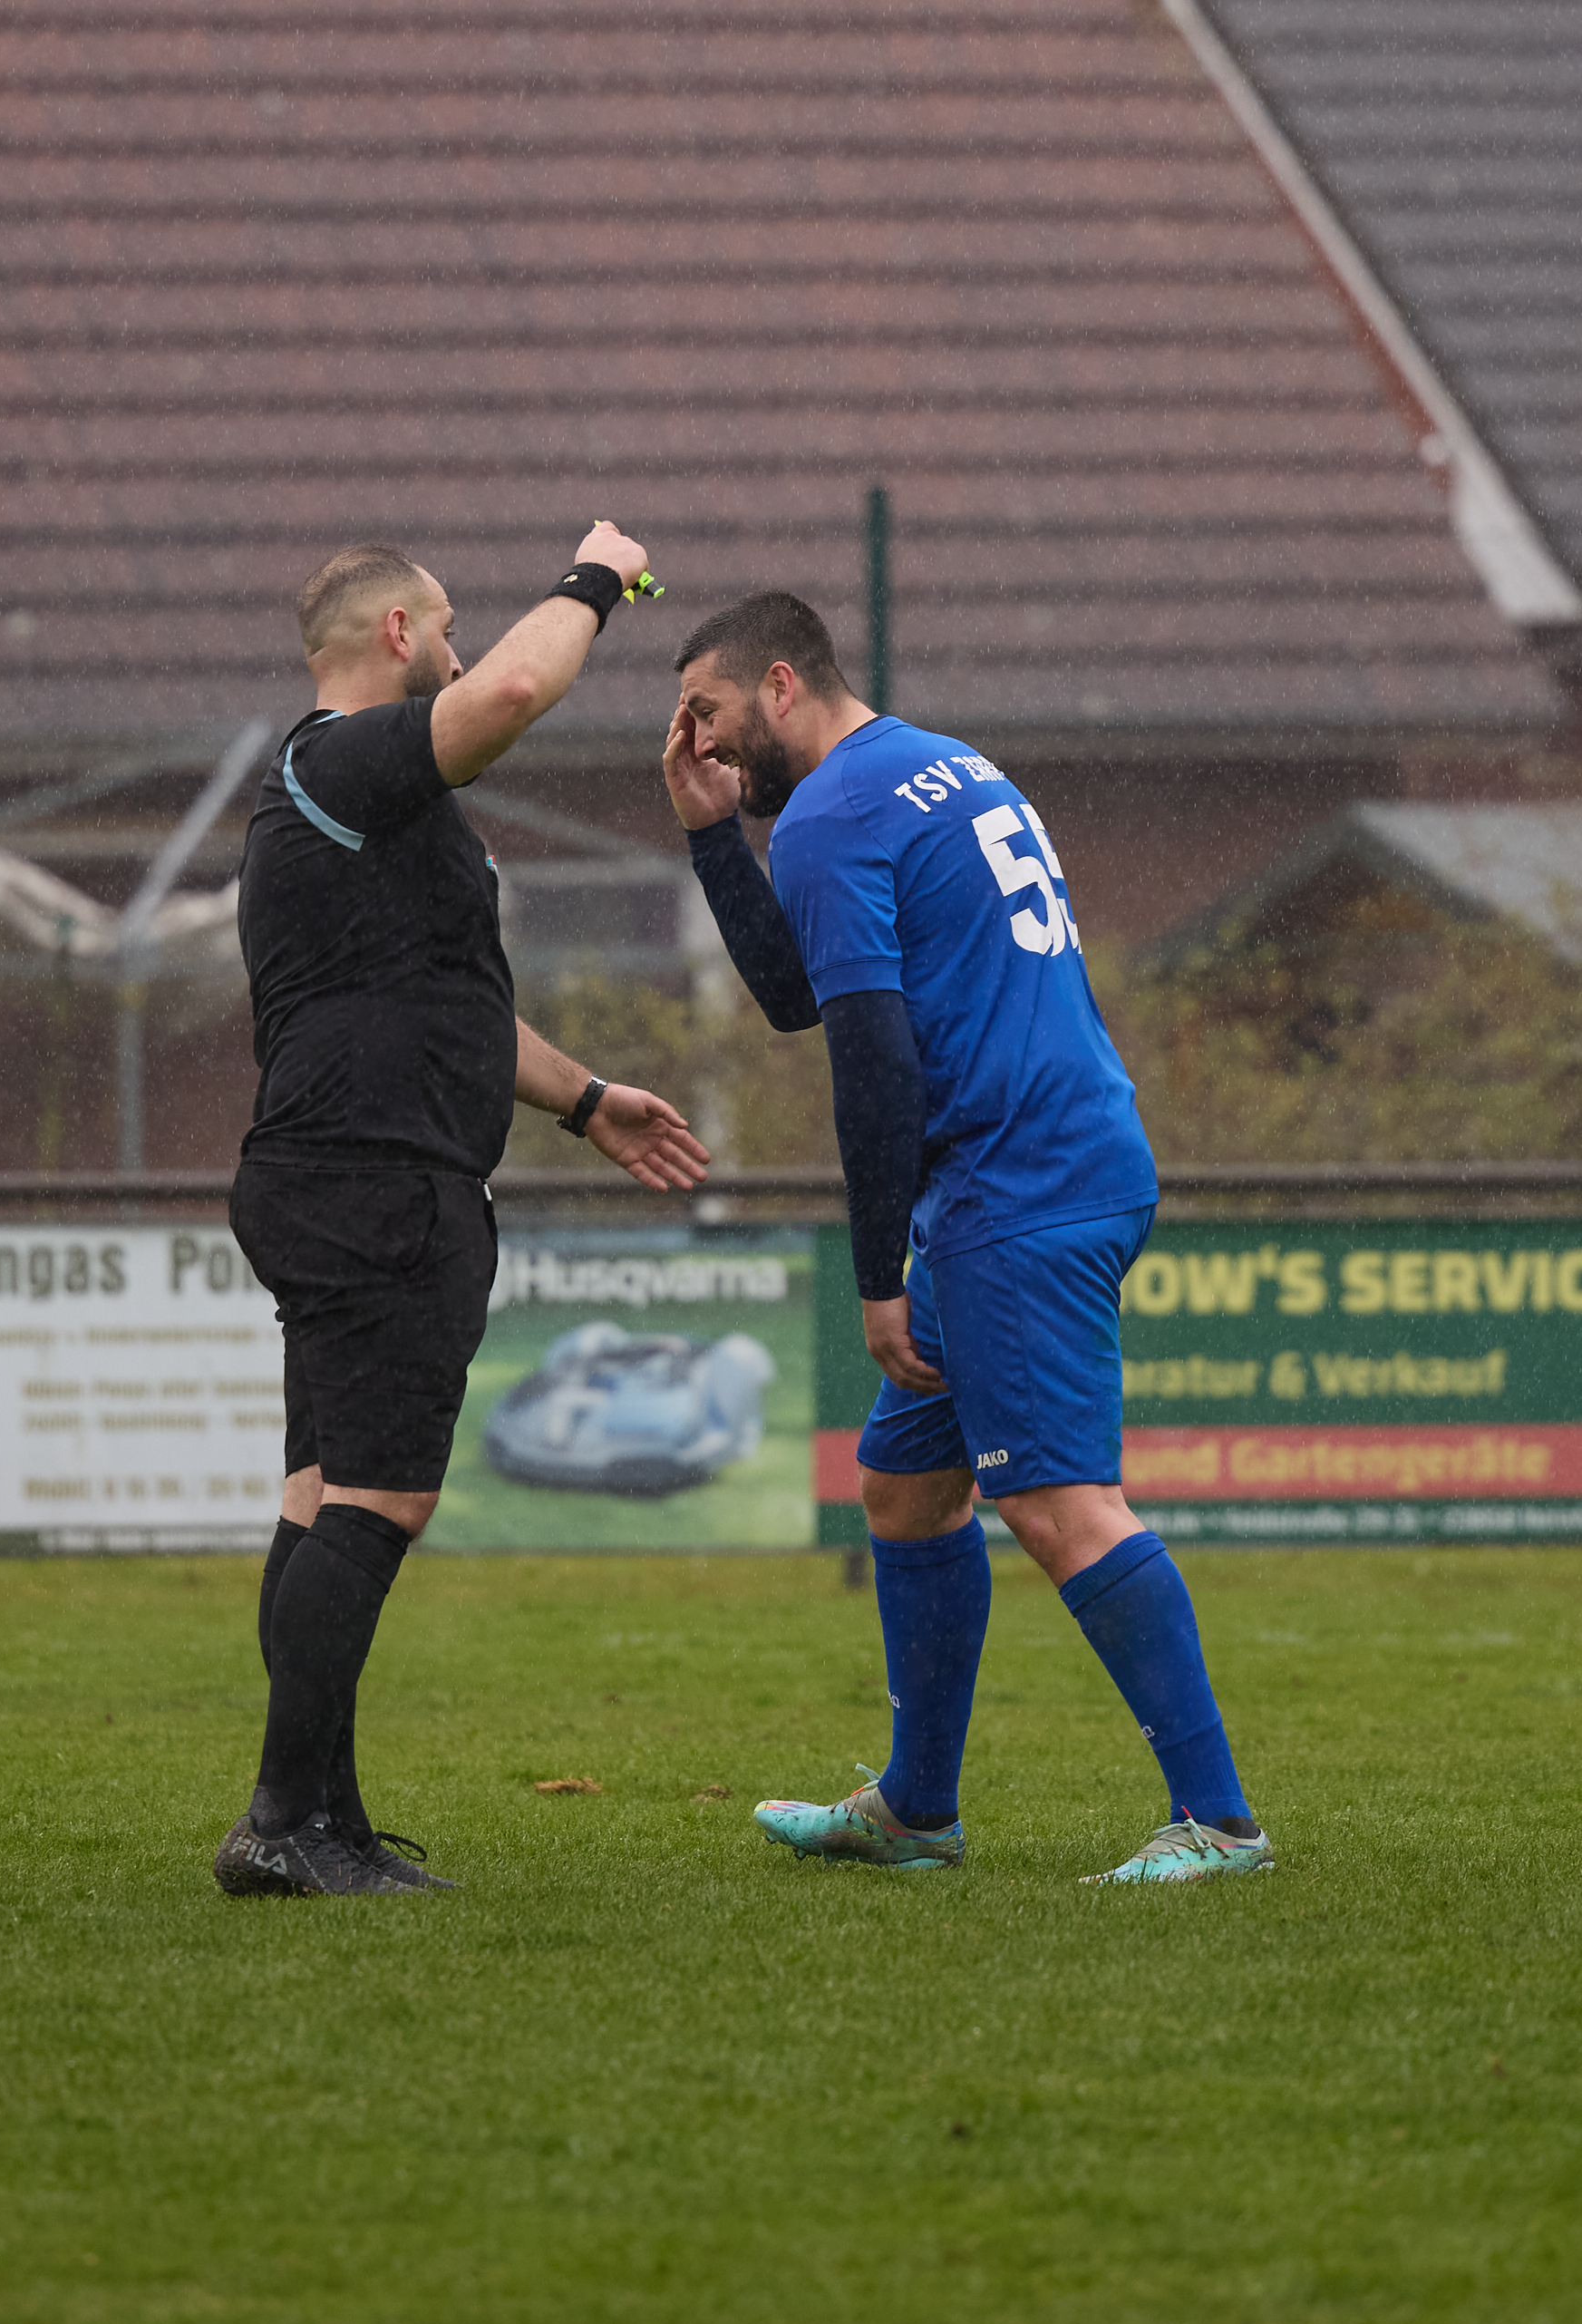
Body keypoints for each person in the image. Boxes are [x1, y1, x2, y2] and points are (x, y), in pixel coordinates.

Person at [662, 593, 1271, 1886]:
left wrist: (877, 1272)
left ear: (781, 684)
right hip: (1065, 1152)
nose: (699, 742)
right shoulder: (940, 762)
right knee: (906, 1485)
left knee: (1056, 1504)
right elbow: (802, 997)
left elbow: (871, 1060)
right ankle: (914, 1812)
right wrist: (714, 838)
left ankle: (1220, 1823)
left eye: (707, 713)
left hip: (1015, 1186)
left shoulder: (830, 813)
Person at [214, 527, 708, 1900]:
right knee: (382, 1501)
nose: (457, 645)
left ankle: (325, 1822)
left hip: (341, 1172)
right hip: (377, 1179)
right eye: (441, 624)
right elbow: (511, 693)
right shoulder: (341, 760)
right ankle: (280, 1824)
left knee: (324, 1501)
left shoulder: (362, 806)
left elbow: (448, 1002)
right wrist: (594, 578)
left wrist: (584, 1097)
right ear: (396, 637)